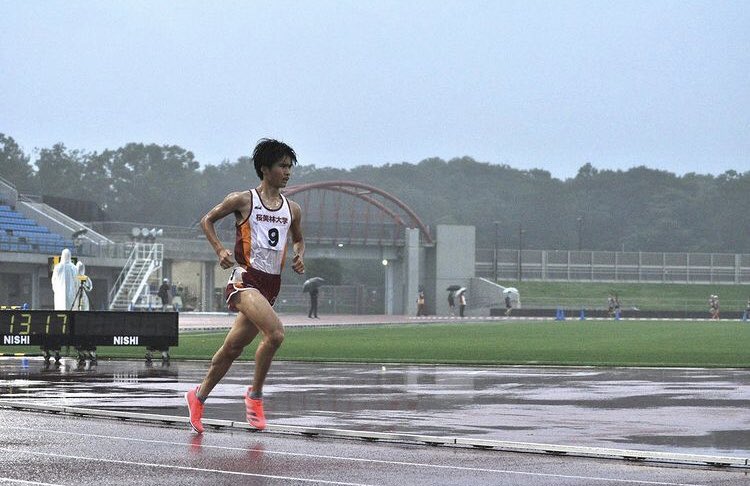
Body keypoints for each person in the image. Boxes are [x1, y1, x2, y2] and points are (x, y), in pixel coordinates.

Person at [186, 139, 305, 434]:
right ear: (265, 169)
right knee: (275, 334)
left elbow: (299, 238)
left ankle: (197, 397)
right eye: (282, 166)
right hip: (245, 279)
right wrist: (219, 250)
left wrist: (300, 255)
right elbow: (207, 220)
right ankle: (255, 397)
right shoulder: (243, 200)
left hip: (271, 285)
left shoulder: (293, 209)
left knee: (232, 348)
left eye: (290, 166)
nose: (287, 172)